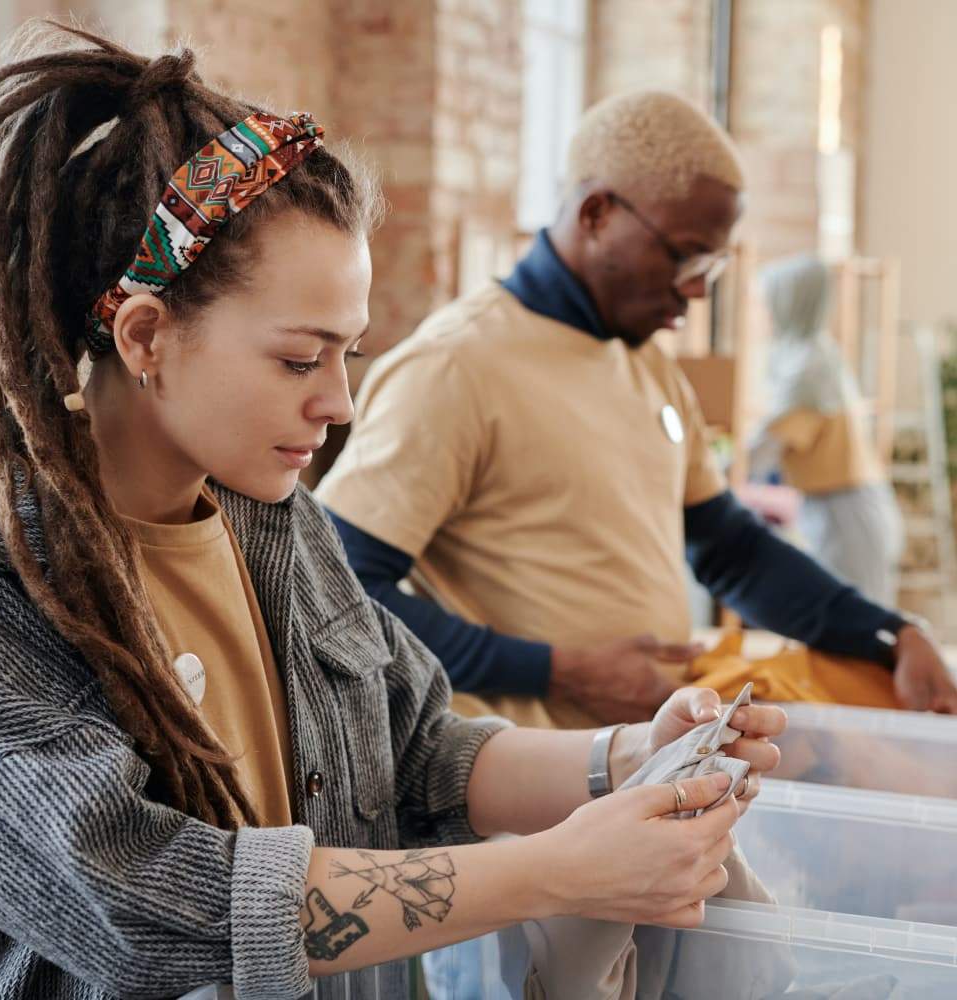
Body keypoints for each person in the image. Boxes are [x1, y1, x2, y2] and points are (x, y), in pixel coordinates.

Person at [0, 24, 787, 1000]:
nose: (339, 403)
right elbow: (140, 901)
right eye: (300, 359)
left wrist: (630, 754)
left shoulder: (271, 517)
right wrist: (558, 869)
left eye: (347, 356)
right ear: (146, 336)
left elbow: (419, 750)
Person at [317, 90, 957, 726]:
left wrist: (890, 633)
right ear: (597, 213)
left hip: (649, 760)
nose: (699, 288)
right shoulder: (456, 368)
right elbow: (342, 589)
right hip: (528, 791)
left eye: (715, 262)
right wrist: (556, 669)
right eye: (685, 254)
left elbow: (731, 549)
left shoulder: (646, 363)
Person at [749, 253, 904, 606]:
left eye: (764, 303)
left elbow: (761, 450)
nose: (759, 315)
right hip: (835, 507)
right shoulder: (810, 356)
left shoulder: (808, 368)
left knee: (856, 631)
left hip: (847, 512)